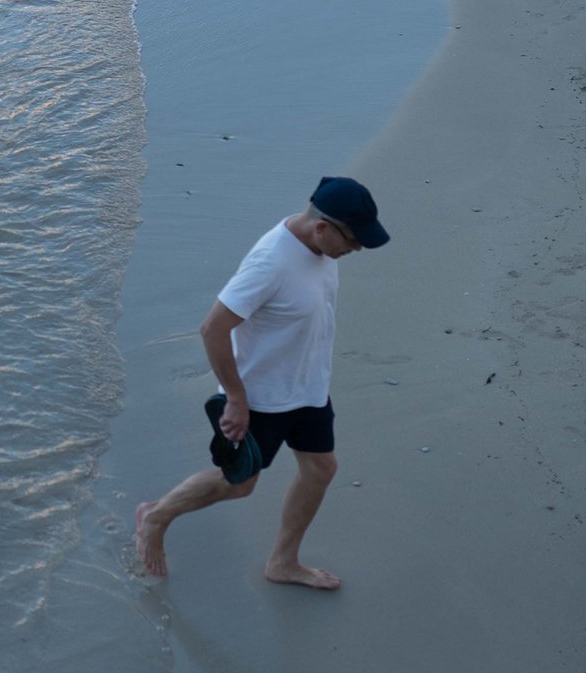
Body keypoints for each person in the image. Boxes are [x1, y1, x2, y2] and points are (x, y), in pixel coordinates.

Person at [134, 178, 392, 588]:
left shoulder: (322, 250)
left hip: (307, 389)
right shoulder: (271, 263)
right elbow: (212, 329)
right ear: (323, 227)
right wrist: (236, 398)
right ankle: (156, 515)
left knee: (320, 468)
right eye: (355, 240)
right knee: (236, 485)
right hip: (263, 398)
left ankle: (283, 563)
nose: (357, 249)